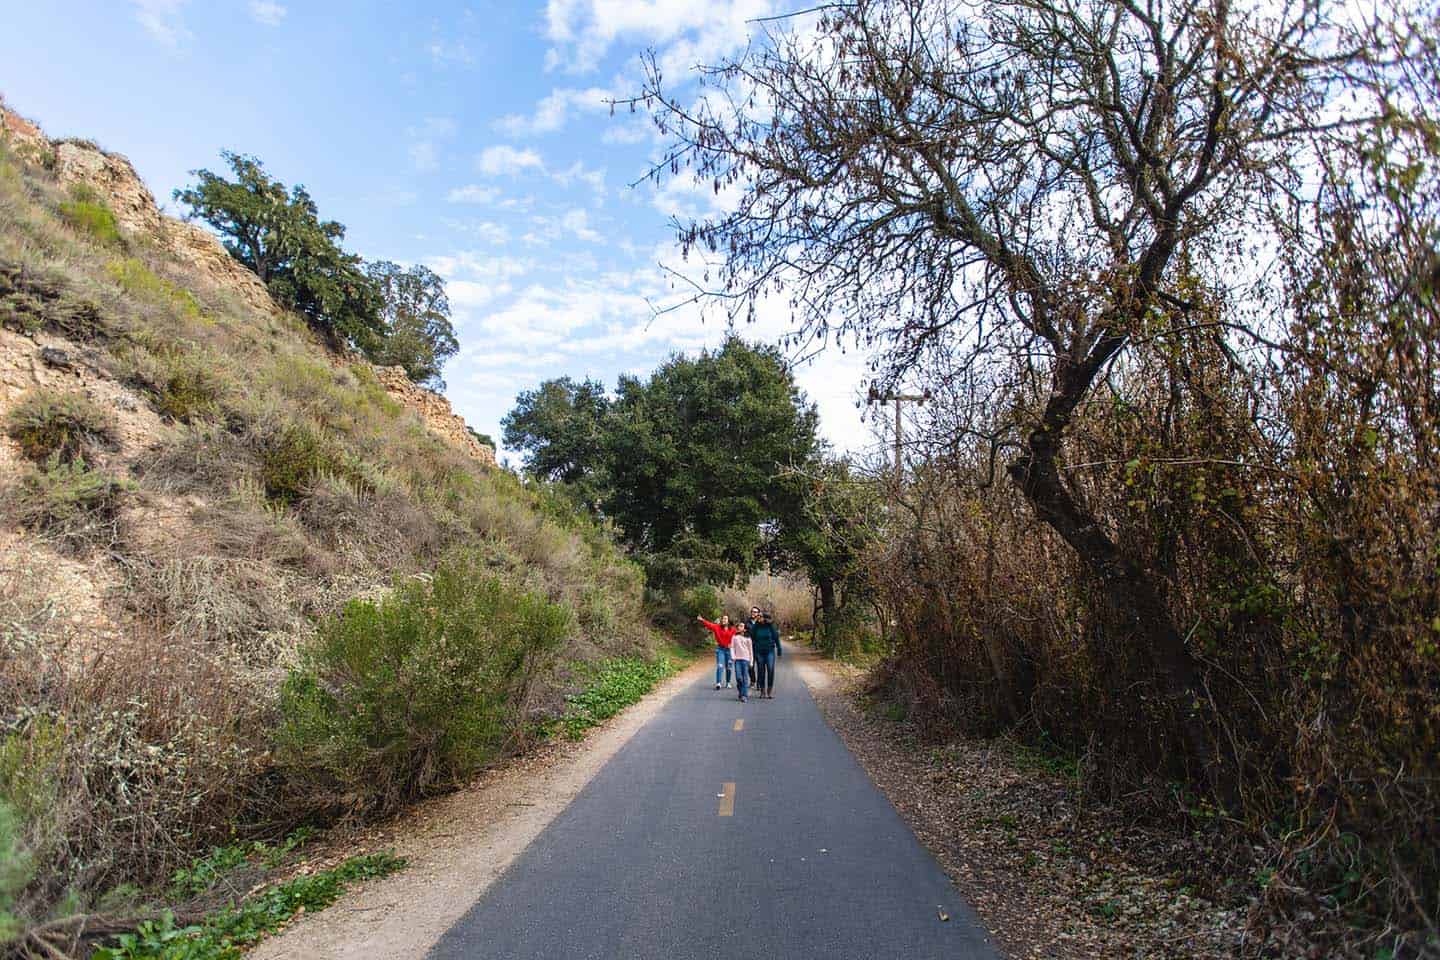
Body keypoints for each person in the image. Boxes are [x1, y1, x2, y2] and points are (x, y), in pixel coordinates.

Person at [696, 614, 738, 689]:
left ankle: (728, 682)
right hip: (720, 649)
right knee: (720, 665)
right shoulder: (717, 627)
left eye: (725, 619)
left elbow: (737, 639)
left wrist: (733, 645)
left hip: (729, 650)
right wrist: (702, 620)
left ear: (728, 621)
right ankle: (718, 683)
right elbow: (709, 625)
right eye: (722, 619)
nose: (723, 620)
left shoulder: (733, 629)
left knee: (729, 667)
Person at [750, 610, 782, 698]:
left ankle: (769, 690)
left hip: (769, 651)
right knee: (761, 671)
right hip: (759, 651)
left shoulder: (770, 626)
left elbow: (776, 637)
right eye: (758, 616)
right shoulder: (756, 626)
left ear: (764, 618)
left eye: (760, 616)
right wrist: (756, 624)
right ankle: (762, 691)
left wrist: (779, 649)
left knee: (770, 670)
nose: (758, 617)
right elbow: (751, 636)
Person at [729, 621, 753, 703]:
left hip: (746, 660)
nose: (739, 627)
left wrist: (751, 661)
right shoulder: (734, 637)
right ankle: (741, 691)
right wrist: (733, 656)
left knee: (745, 677)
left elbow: (751, 651)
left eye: (741, 626)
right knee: (739, 677)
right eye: (739, 626)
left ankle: (744, 695)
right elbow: (732, 647)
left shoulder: (748, 639)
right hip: (737, 660)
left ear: (745, 629)